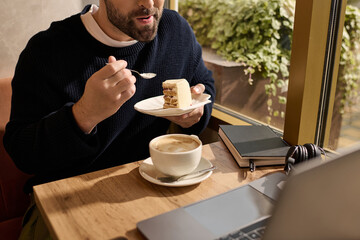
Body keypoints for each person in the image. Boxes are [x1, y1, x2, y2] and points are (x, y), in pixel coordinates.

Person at [3, 0, 215, 239]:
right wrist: (83, 115)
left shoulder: (175, 30)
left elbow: (203, 84)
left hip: (154, 189)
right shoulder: (46, 50)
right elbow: (22, 152)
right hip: (65, 201)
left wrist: (195, 113)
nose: (148, 3)